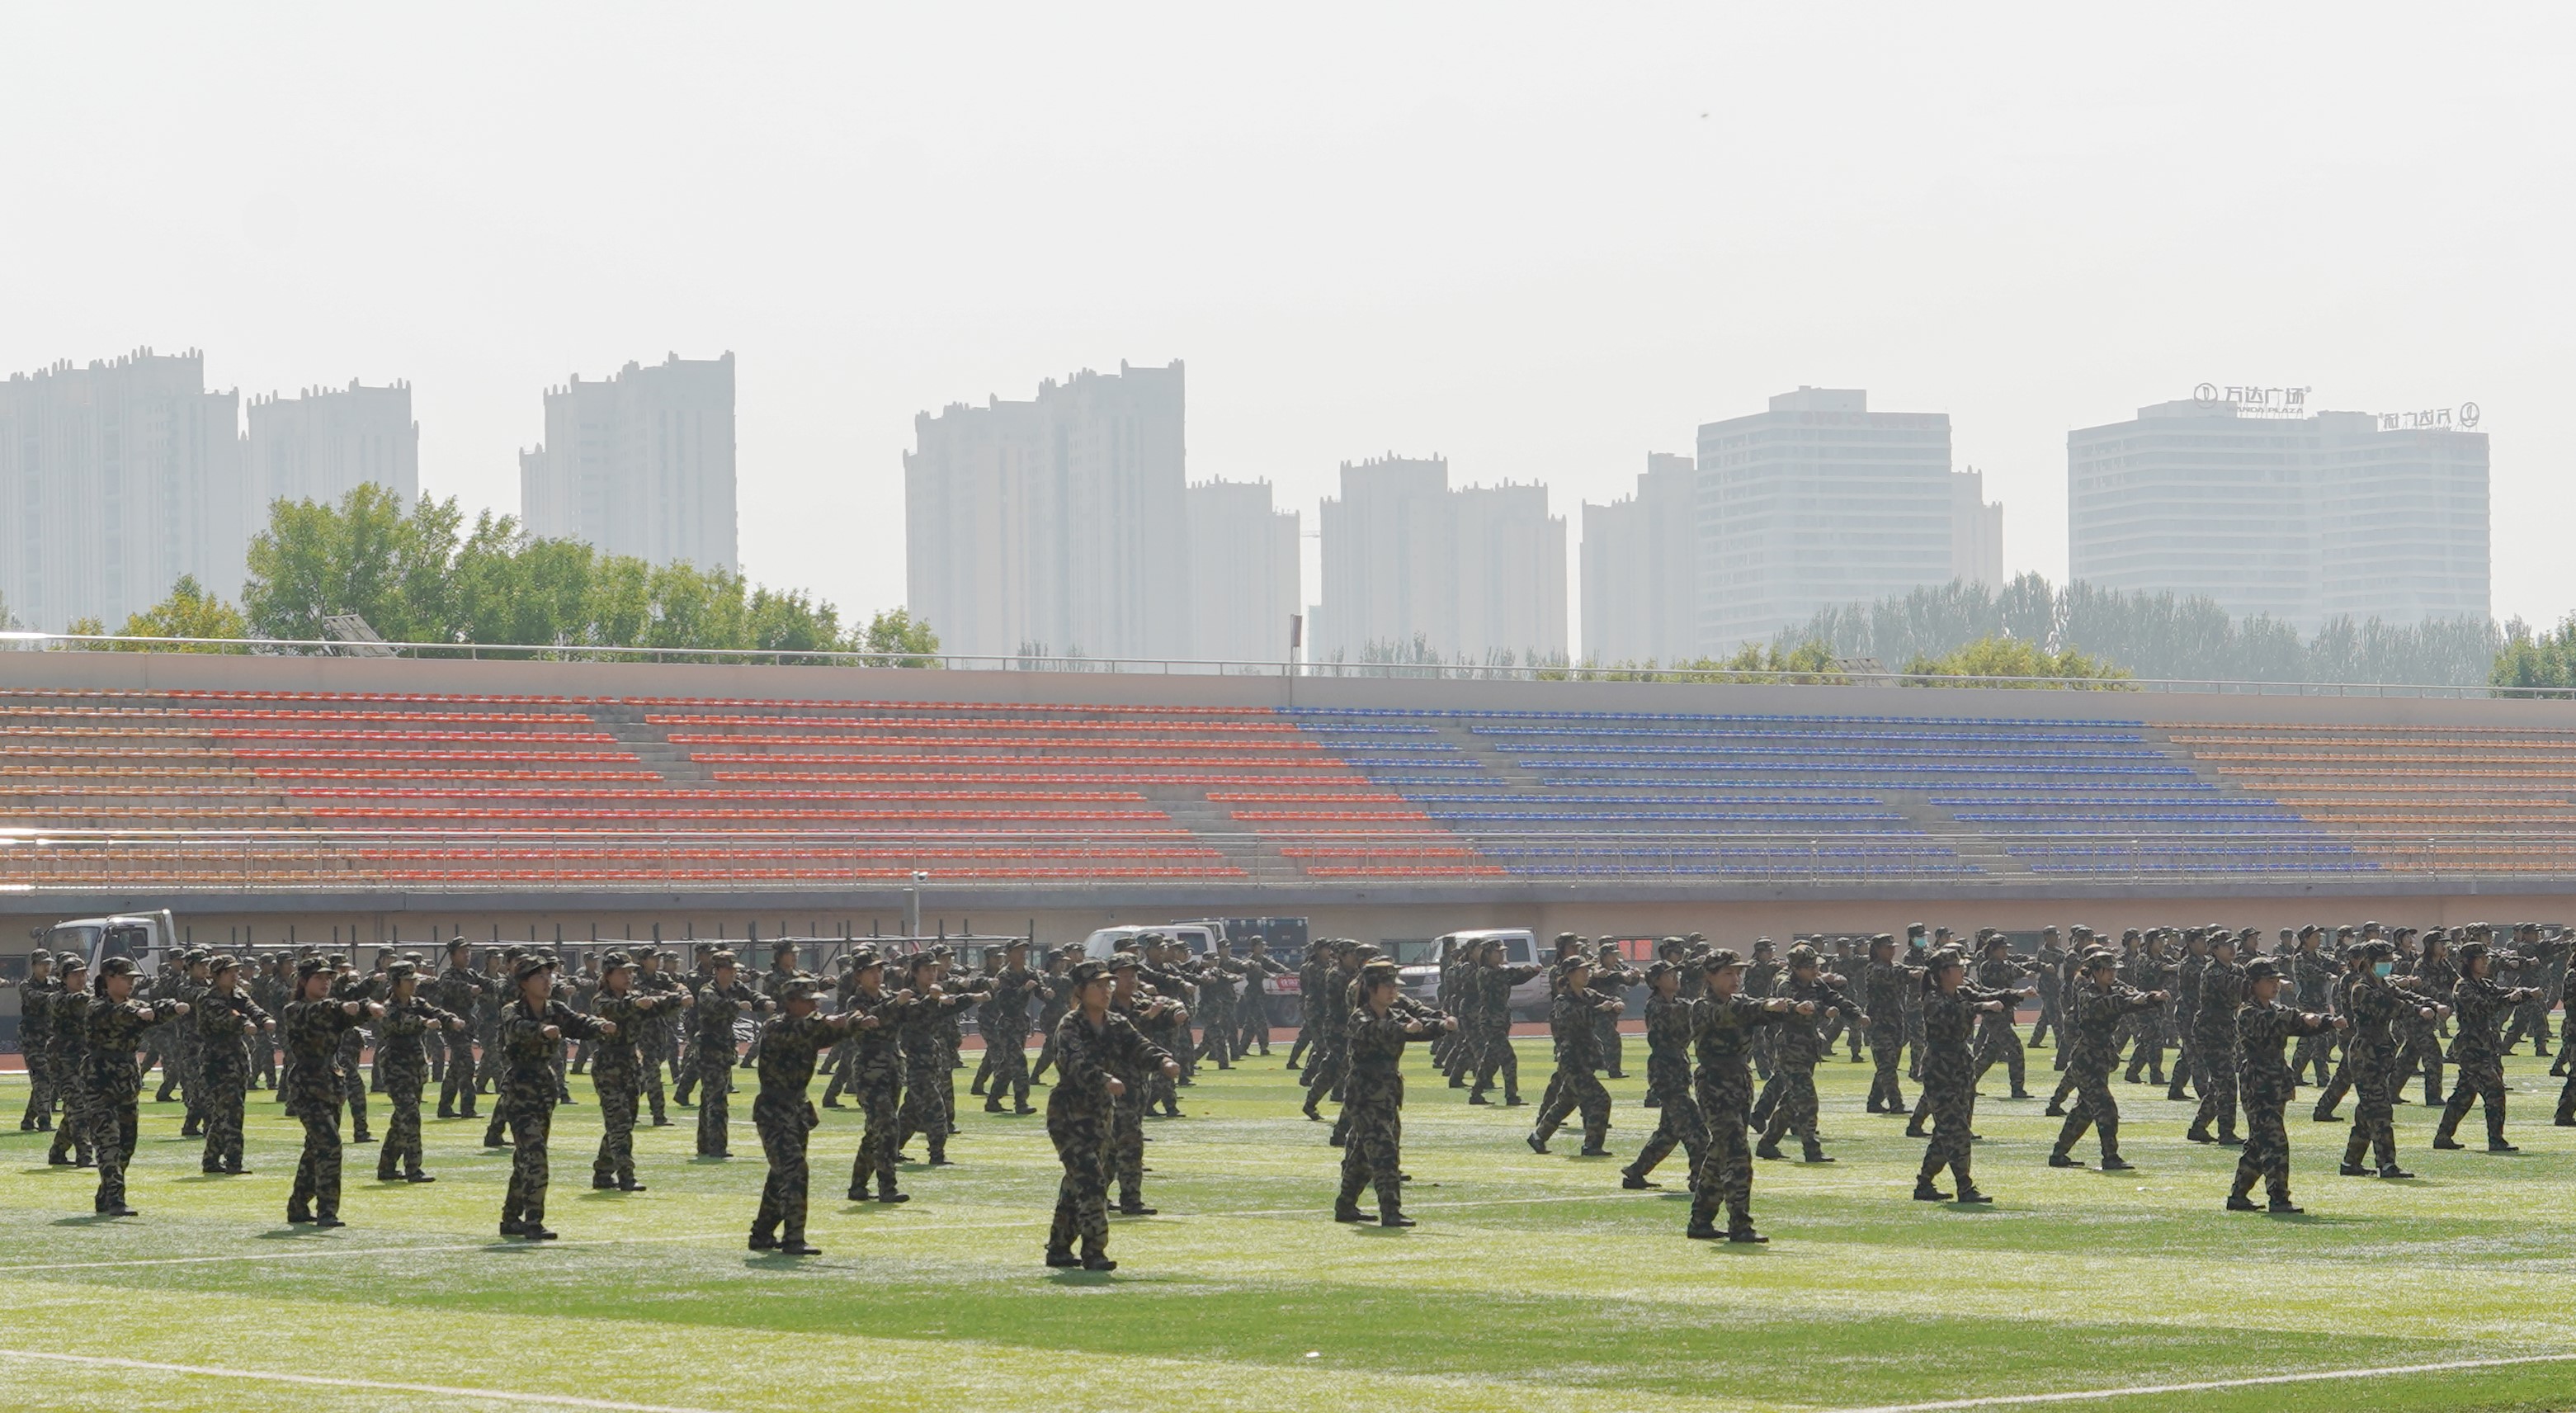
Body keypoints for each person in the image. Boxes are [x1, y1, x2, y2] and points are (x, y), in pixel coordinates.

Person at [1046, 959, 1177, 1270]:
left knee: (1079, 1181)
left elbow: (1139, 1046)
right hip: (1069, 1114)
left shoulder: (1116, 1023)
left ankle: (1059, 1248)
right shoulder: (1070, 1025)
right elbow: (1073, 1063)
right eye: (1098, 985)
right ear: (1081, 991)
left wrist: (1162, 1061)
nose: (1106, 991)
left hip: (1101, 1115)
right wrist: (1104, 1079)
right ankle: (1094, 1252)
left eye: (1109, 985)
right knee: (1091, 1179)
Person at [1685, 949, 1807, 1242]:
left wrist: (1793, 1008)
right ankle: (1740, 1224)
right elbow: (1732, 1013)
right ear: (1710, 976)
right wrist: (1767, 1005)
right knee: (1737, 1153)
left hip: (1739, 1080)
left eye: (1738, 973)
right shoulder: (1703, 1006)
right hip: (1715, 1082)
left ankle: (1701, 1220)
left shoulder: (1740, 1001)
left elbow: (1761, 1010)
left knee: (1719, 1153)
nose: (1735, 978)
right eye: (1728, 973)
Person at [750, 974, 873, 1255]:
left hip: (796, 1110)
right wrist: (828, 1021)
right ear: (791, 1002)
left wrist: (854, 1023)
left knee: (781, 1174)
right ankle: (794, 1238)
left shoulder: (807, 1026)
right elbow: (805, 1030)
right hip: (774, 1110)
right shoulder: (776, 1027)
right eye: (808, 1002)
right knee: (794, 1170)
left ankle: (762, 1234)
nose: (815, 1006)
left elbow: (831, 1033)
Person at [497, 953, 611, 1240]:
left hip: (544, 1088)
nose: (547, 981)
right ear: (524, 983)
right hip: (520, 1086)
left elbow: (577, 1023)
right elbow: (516, 1027)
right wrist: (541, 1030)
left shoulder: (555, 1008)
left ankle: (511, 1218)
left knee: (525, 1157)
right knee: (535, 1155)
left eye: (549, 976)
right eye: (539, 976)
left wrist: (599, 1026)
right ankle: (533, 1222)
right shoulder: (513, 1009)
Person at [1337, 958, 1455, 1227]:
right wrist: (1402, 1029)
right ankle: (1391, 1211)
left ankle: (1345, 1205)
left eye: (1394, 986)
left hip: (1387, 1096)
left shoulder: (1394, 1015)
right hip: (1365, 1098)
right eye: (1387, 986)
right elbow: (1374, 1031)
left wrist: (1443, 1025)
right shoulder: (1361, 1017)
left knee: (1362, 1157)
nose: (1393, 991)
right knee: (1385, 1154)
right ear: (1372, 989)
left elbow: (1421, 1028)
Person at [1912, 950, 2026, 1204]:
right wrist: (1981, 1007)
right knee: (1957, 1130)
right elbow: (1954, 1012)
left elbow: (1987, 995)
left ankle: (1924, 1183)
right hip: (1940, 1069)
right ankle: (1964, 1186)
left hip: (1961, 1067)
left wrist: (2016, 994)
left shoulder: (1962, 992)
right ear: (1944, 973)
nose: (1962, 971)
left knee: (1948, 1130)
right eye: (1957, 967)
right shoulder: (1933, 999)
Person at [2230, 957, 2342, 1213]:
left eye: (2276, 981)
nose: (2275, 986)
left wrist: (2328, 1022)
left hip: (2276, 1081)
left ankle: (2238, 1195)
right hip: (2258, 1082)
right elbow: (2281, 1020)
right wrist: (2304, 1016)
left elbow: (2299, 1025)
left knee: (2259, 1143)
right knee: (2275, 1143)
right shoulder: (2248, 1012)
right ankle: (2279, 1198)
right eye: (2269, 981)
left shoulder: (2274, 1009)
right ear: (2254, 983)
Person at [83, 957, 190, 1217]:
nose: (131, 983)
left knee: (127, 1144)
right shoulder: (96, 1006)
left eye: (133, 979)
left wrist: (173, 1007)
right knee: (108, 1141)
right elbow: (118, 1014)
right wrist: (138, 1013)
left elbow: (154, 1010)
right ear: (109, 979)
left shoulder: (136, 1005)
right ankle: (116, 1199)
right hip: (100, 1081)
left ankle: (106, 1194)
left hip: (127, 1082)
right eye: (125, 978)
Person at [283, 956, 380, 1227]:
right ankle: (327, 1210)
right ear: (304, 982)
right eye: (319, 978)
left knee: (315, 1148)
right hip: (307, 1087)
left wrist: (368, 1007)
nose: (325, 982)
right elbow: (323, 1011)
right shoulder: (295, 1009)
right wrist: (345, 1006)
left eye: (329, 978)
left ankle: (298, 1205)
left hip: (331, 1085)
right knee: (329, 1145)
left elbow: (350, 1012)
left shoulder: (331, 1008)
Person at [2049, 950, 2166, 1170]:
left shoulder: (2115, 990)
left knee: (2084, 1111)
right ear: (2095, 972)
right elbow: (2107, 1005)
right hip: (2087, 1059)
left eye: (2114, 970)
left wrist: (2152, 998)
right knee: (2106, 1108)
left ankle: (2059, 1154)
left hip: (2101, 1058)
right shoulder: (2086, 994)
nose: (2112, 974)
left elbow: (2130, 998)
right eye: (2107, 970)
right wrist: (2133, 1000)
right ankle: (2110, 1157)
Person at [2338, 940, 2441, 1180]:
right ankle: (2386, 1164)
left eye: (2389, 961)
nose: (2388, 965)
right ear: (2369, 962)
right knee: (2380, 1109)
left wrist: (2431, 1003)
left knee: (2368, 1110)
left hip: (2381, 1052)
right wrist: (2418, 1010)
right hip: (2366, 1054)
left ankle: (2351, 1162)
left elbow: (2404, 994)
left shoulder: (2383, 983)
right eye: (2383, 961)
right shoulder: (2362, 988)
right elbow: (2390, 1004)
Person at [1756, 944, 1864, 1164]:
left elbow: (1834, 998)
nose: (1815, 970)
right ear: (1796, 968)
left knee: (1791, 1102)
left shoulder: (1817, 983)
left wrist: (1856, 1014)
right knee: (1807, 1100)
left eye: (1816, 966)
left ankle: (1767, 1144)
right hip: (1790, 1050)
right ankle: (1812, 1150)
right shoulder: (1786, 984)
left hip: (1809, 1049)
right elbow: (1794, 1004)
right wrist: (1823, 1010)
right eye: (1810, 967)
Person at [2435, 939, 2539, 1153]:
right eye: (2480, 959)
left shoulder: (2484, 984)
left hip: (2487, 1048)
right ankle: (2496, 1139)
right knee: (2495, 1090)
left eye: (2486, 958)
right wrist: (2511, 999)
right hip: (2471, 1049)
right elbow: (2485, 1006)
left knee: (2464, 1094)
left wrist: (2526, 993)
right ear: (2467, 962)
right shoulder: (2463, 987)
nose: (2485, 962)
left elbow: (2502, 992)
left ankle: (2443, 1136)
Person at [837, 949, 922, 1204]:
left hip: (893, 1069)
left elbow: (916, 1015)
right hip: (870, 1071)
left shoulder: (890, 997)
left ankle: (858, 1186)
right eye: (870, 970)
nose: (877, 974)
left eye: (879, 969)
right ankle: (888, 1187)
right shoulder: (856, 1002)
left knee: (876, 1131)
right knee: (887, 1125)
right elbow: (864, 1019)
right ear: (858, 976)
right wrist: (895, 1004)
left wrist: (932, 1000)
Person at [374, 960, 465, 1183]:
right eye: (408, 980)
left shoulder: (417, 1002)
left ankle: (386, 1167)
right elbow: (399, 1022)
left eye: (414, 980)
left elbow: (436, 1011)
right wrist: (424, 1022)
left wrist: (451, 1019)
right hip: (396, 1067)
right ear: (396, 982)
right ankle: (413, 1168)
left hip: (415, 1067)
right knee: (410, 1116)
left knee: (401, 1119)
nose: (413, 984)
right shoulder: (389, 1006)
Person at [1621, 961, 1705, 1191]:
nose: (1676, 978)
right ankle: (1699, 1177)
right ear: (1656, 981)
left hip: (1678, 1069)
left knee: (1669, 1132)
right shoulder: (1656, 1005)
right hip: (1664, 1071)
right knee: (1695, 1126)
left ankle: (1635, 1172)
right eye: (1669, 975)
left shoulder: (1680, 1003)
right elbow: (1682, 1014)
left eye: (1676, 974)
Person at [1528, 953, 1621, 1155]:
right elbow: (1578, 1019)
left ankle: (1538, 1136)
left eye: (1587, 970)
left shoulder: (1588, 994)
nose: (1586, 974)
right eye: (1582, 970)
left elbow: (1608, 999)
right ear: (1570, 975)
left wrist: (1616, 1003)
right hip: (1573, 1060)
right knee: (1600, 1099)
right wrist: (1601, 1009)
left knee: (1566, 1103)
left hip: (1586, 1058)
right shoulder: (1563, 1001)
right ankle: (1592, 1145)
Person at [193, 955, 273, 1176]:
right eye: (229, 972)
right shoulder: (208, 998)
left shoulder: (238, 994)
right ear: (217, 975)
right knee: (232, 1111)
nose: (235, 975)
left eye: (236, 971)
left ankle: (211, 1159)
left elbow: (252, 1007)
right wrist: (245, 1023)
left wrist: (264, 1019)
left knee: (224, 1112)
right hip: (217, 1061)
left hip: (237, 1058)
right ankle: (234, 1161)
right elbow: (227, 1016)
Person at [692, 951, 771, 1157]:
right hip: (709, 1047)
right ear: (717, 970)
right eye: (728, 969)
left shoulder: (736, 986)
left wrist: (765, 1002)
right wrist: (737, 1005)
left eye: (734, 969)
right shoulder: (707, 990)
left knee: (710, 1097)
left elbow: (752, 996)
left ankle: (705, 1144)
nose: (733, 973)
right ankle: (717, 1146)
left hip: (725, 1047)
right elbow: (716, 1004)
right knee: (717, 1098)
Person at [1466, 939, 1544, 1106]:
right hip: (1491, 1022)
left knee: (1491, 1061)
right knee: (1509, 1058)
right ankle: (1511, 1096)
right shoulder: (1485, 972)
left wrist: (1532, 972)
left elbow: (1516, 979)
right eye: (1498, 952)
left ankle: (1476, 1094)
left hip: (1501, 1020)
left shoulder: (1500, 971)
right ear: (1488, 954)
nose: (1502, 954)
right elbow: (1507, 976)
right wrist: (1523, 969)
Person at [45, 956, 94, 1168]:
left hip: (85, 1057)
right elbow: (80, 1002)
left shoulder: (90, 995)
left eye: (83, 973)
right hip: (63, 1058)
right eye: (75, 975)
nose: (81, 978)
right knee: (77, 1106)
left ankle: (58, 1151)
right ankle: (85, 1154)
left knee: (78, 1107)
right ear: (64, 978)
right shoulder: (58, 999)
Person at [14, 951, 58, 1132]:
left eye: (49, 963)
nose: (46, 967)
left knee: (47, 1079)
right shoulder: (26, 986)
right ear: (33, 966)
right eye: (42, 964)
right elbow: (35, 999)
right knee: (42, 1077)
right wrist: (56, 997)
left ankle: (28, 1120)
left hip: (50, 1038)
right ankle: (44, 1121)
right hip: (32, 1039)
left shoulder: (55, 983)